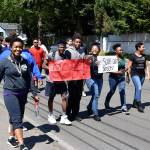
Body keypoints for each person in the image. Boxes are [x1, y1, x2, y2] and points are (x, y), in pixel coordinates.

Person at [0, 38, 39, 150]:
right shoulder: (4, 62)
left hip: (23, 93)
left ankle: (11, 138)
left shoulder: (24, 61)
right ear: (11, 47)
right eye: (15, 46)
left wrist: (34, 93)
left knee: (17, 117)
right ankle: (22, 145)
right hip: (10, 93)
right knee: (17, 118)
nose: (18, 49)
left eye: (20, 47)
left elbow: (29, 78)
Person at [43, 41, 71, 125]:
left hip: (61, 80)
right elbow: (43, 65)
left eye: (63, 47)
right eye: (60, 47)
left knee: (64, 97)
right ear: (57, 47)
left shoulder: (66, 56)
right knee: (51, 98)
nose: (62, 48)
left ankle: (64, 116)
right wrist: (52, 69)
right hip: (52, 80)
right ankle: (50, 115)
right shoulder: (51, 55)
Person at [65, 35, 89, 121]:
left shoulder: (83, 50)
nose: (78, 43)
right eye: (76, 42)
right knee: (71, 96)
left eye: (79, 42)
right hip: (71, 78)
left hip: (80, 77)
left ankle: (75, 114)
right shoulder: (68, 51)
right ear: (73, 42)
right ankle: (67, 114)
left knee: (78, 96)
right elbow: (66, 65)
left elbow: (85, 62)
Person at [104, 43, 129, 114]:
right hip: (113, 78)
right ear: (116, 51)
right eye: (120, 50)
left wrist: (126, 72)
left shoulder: (123, 58)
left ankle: (124, 106)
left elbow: (124, 68)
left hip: (121, 78)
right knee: (112, 91)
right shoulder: (112, 59)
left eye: (122, 50)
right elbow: (108, 70)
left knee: (122, 91)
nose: (121, 51)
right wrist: (117, 72)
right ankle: (106, 102)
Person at [127, 42, 150, 112]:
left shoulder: (145, 56)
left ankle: (134, 103)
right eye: (143, 47)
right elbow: (129, 67)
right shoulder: (132, 56)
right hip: (134, 74)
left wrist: (148, 75)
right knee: (139, 88)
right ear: (138, 48)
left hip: (142, 75)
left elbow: (146, 66)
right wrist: (127, 76)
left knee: (138, 89)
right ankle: (139, 104)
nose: (144, 48)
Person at [86, 43, 103, 121]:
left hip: (100, 78)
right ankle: (95, 114)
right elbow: (85, 66)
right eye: (93, 48)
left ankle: (89, 106)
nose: (95, 50)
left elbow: (107, 68)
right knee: (95, 95)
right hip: (91, 78)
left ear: (99, 50)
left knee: (96, 95)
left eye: (96, 49)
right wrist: (92, 63)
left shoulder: (102, 58)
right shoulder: (89, 57)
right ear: (91, 50)